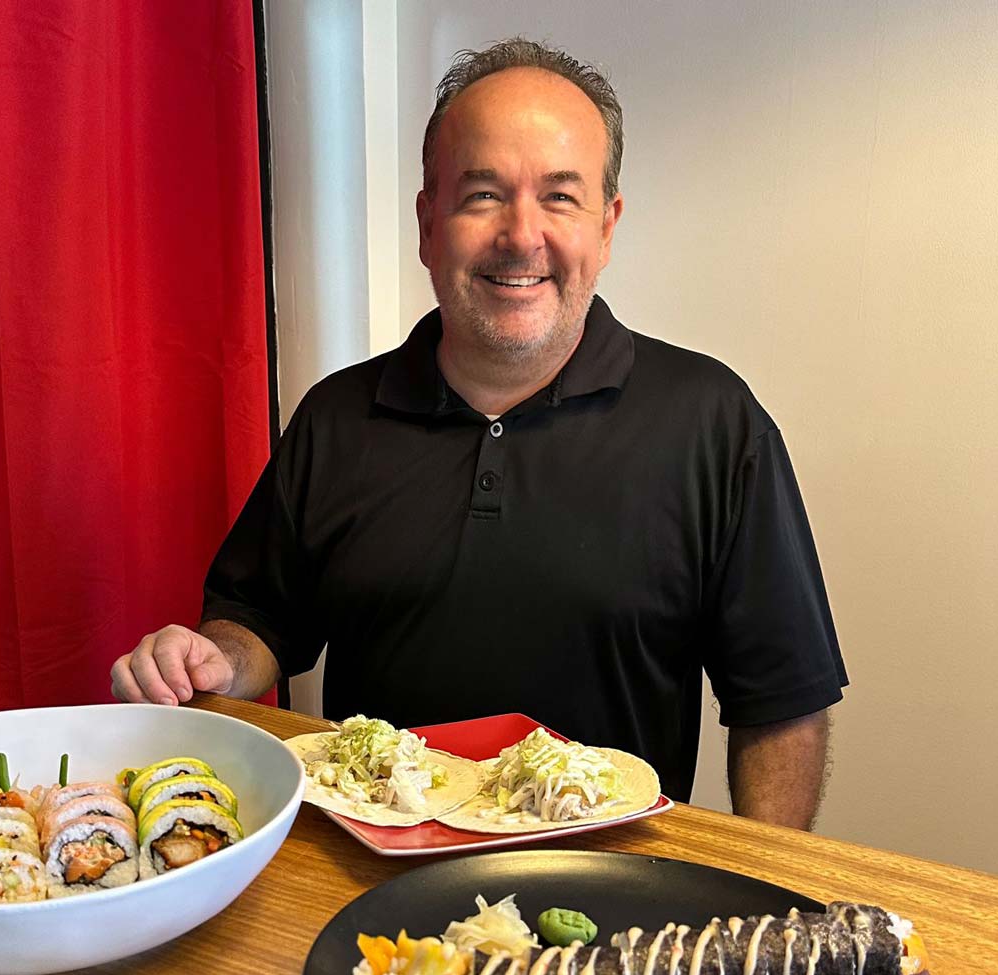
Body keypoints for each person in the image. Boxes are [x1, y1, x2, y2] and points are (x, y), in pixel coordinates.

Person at [111, 38, 847, 830]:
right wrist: (215, 659)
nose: (521, 236)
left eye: (560, 197)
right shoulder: (336, 418)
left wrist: (763, 884)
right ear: (429, 223)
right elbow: (259, 621)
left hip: (617, 886)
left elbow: (782, 704)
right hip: (373, 875)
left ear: (606, 227)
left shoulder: (714, 422)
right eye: (483, 194)